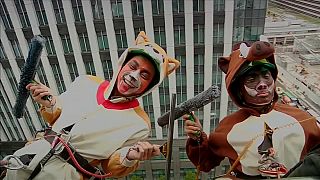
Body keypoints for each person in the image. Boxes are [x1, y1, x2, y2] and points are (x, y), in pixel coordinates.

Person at [2, 31, 179, 180]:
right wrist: (50, 102)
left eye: (145, 75)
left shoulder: (140, 123)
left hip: (66, 175)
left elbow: (111, 165)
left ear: (150, 86)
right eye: (132, 66)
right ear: (123, 63)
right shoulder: (86, 82)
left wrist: (131, 156)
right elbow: (56, 117)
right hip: (27, 158)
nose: (133, 76)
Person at [183, 37, 320, 179]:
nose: (262, 84)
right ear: (238, 89)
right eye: (251, 78)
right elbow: (205, 163)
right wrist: (197, 137)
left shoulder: (302, 118)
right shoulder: (228, 126)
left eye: (266, 76)